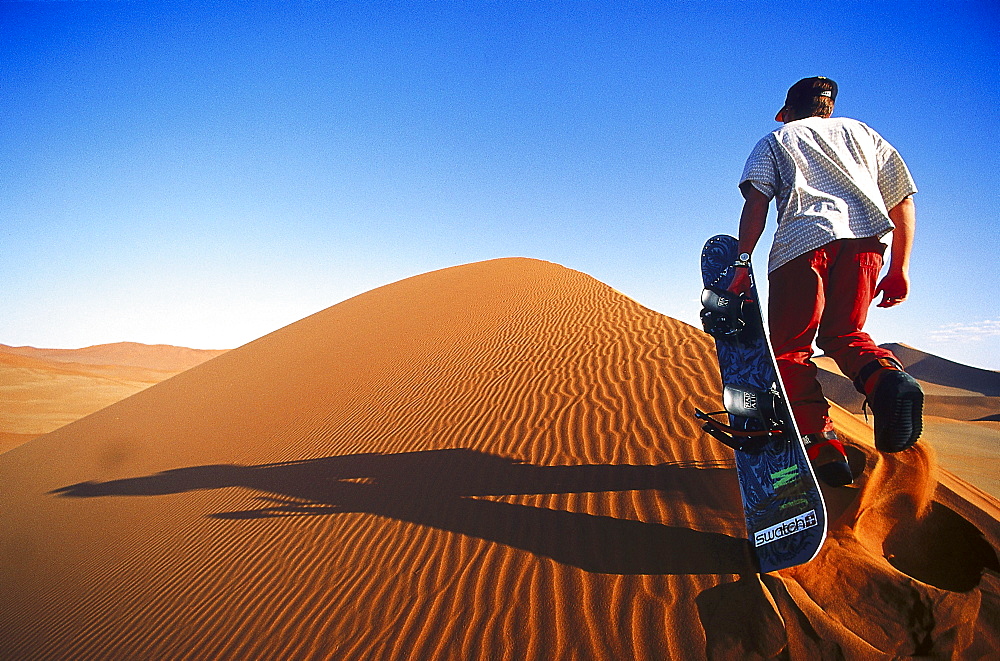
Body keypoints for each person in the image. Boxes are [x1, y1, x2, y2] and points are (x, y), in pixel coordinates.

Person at [729, 76, 924, 487]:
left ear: (789, 111)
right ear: (828, 107)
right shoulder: (864, 134)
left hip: (804, 242)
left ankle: (821, 443)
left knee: (790, 349)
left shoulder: (776, 140)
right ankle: (885, 379)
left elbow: (756, 204)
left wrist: (742, 261)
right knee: (846, 333)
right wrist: (900, 267)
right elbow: (903, 199)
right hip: (867, 242)